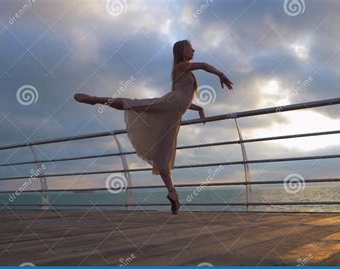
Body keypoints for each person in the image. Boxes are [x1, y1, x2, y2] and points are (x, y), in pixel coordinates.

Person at [74, 40, 233, 214]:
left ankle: (173, 193)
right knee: (137, 104)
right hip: (172, 105)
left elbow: (184, 99)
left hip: (174, 113)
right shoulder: (180, 67)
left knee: (163, 154)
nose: (194, 50)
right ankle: (96, 99)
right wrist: (221, 74)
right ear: (181, 51)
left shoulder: (185, 73)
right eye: (190, 48)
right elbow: (202, 66)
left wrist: (199, 108)